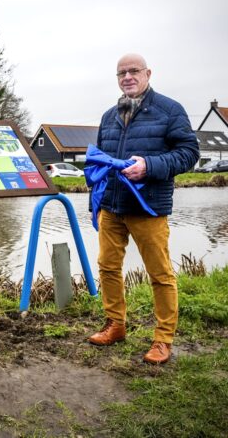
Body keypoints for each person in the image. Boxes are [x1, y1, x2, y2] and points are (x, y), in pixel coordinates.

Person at [87, 53, 199, 364]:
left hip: (149, 207)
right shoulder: (110, 116)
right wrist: (94, 203)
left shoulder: (170, 110)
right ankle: (115, 325)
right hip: (111, 205)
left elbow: (189, 153)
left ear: (148, 73)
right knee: (108, 267)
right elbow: (98, 163)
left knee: (160, 273)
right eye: (121, 73)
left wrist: (149, 166)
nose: (127, 77)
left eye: (133, 71)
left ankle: (163, 339)